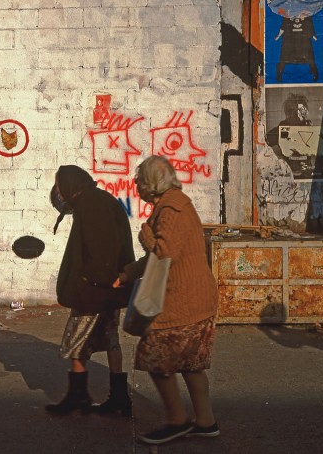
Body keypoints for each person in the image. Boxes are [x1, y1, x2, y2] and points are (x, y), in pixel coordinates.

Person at [114, 156, 219, 445]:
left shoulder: (170, 209)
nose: (135, 183)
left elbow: (162, 253)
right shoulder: (177, 203)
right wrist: (128, 274)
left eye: (139, 179)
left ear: (151, 183)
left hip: (182, 301)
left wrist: (144, 234)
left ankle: (177, 420)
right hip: (199, 298)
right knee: (191, 363)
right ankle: (206, 422)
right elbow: (160, 256)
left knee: (155, 358)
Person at [45, 165, 135, 416]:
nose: (59, 191)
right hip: (110, 289)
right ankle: (119, 398)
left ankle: (78, 396)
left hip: (94, 291)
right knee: (110, 339)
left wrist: (88, 279)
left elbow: (100, 249)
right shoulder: (100, 199)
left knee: (76, 340)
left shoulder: (90, 204)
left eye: (60, 185)